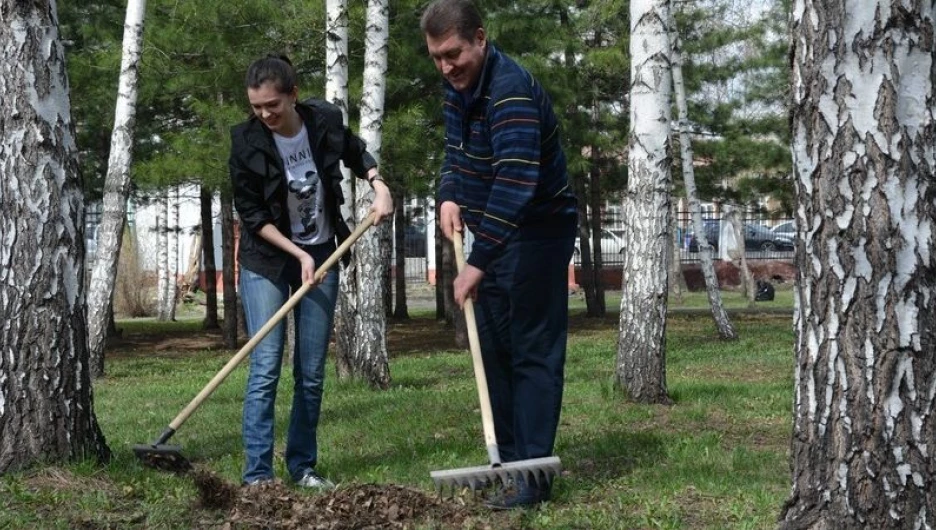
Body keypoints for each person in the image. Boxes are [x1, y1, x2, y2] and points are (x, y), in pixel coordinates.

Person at [420, 0, 578, 510]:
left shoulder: (510, 91)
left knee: (531, 351)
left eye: (454, 54)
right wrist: (448, 192)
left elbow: (516, 182)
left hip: (537, 231)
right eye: (437, 58)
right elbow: (455, 150)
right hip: (491, 228)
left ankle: (532, 478)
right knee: (492, 351)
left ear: (481, 38)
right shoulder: (456, 88)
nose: (446, 67)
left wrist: (476, 263)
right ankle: (507, 464)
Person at [229, 54, 393, 488]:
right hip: (267, 260)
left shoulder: (323, 120)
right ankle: (258, 476)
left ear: (293, 95)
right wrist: (298, 256)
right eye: (257, 106)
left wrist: (378, 184)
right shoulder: (246, 142)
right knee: (266, 366)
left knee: (311, 371)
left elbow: (355, 150)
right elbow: (251, 214)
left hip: (323, 252)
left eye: (273, 105)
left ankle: (302, 467)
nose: (265, 114)